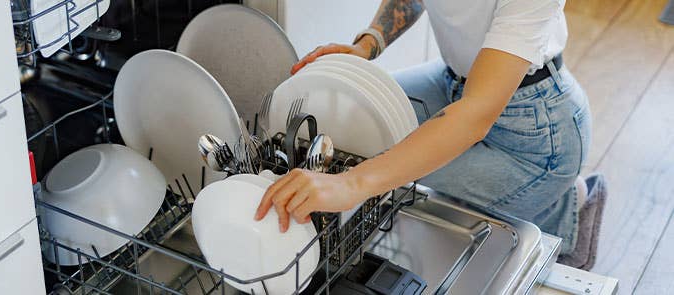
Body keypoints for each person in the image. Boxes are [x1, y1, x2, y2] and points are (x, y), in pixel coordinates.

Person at [254, 0, 601, 265]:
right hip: (453, 80)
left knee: (395, 183)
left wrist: (351, 184)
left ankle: (566, 206)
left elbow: (476, 113)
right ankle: (538, 201)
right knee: (356, 136)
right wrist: (367, 45)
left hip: (536, 135)